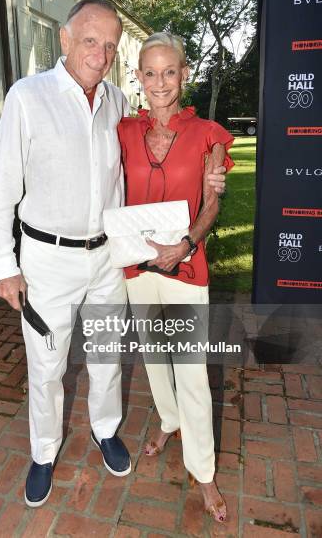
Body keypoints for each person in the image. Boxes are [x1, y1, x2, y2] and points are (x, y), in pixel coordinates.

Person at [0, 0, 227, 508]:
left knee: (106, 355)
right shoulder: (28, 97)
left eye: (111, 44)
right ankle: (44, 453)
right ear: (65, 40)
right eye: (90, 40)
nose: (100, 51)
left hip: (109, 259)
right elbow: (1, 190)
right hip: (46, 260)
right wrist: (4, 266)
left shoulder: (117, 102)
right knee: (47, 365)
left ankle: (105, 429)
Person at [117, 32, 234, 523]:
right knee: (153, 354)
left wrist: (187, 242)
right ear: (139, 77)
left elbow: (212, 201)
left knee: (190, 370)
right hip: (135, 265)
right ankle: (166, 422)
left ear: (184, 73)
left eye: (170, 72)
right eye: (151, 72)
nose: (160, 82)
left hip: (185, 266)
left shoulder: (209, 134)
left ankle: (203, 471)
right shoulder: (121, 130)